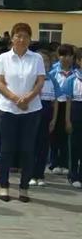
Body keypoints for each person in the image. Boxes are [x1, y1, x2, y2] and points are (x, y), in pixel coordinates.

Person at [0, 23, 45, 203]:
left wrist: (28, 99)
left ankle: (24, 188)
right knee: (6, 149)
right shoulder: (3, 58)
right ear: (12, 38)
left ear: (30, 39)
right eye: (18, 36)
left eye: (25, 36)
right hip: (8, 109)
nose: (21, 39)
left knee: (27, 149)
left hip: (31, 110)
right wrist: (16, 99)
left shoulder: (36, 58)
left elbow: (40, 82)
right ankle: (4, 186)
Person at [30, 50, 60, 186]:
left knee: (43, 146)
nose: (44, 64)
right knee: (31, 145)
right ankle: (30, 174)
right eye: (41, 61)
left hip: (46, 113)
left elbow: (56, 102)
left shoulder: (52, 80)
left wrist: (53, 120)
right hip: (32, 113)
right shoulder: (30, 79)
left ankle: (40, 175)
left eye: (46, 61)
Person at [49, 44, 75, 174]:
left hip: (71, 106)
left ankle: (65, 163)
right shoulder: (53, 72)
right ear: (58, 56)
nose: (65, 58)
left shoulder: (76, 73)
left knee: (67, 135)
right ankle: (54, 162)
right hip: (56, 106)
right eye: (62, 55)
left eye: (69, 55)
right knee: (54, 135)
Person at [63, 50, 82, 188]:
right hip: (76, 113)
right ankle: (73, 175)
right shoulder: (72, 79)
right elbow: (68, 101)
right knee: (74, 147)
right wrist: (68, 120)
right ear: (78, 61)